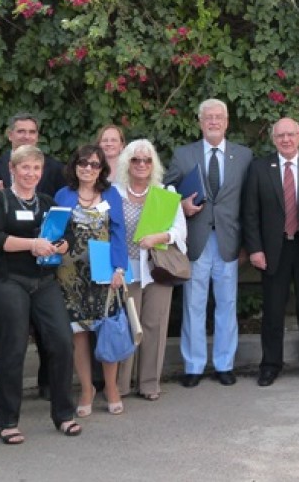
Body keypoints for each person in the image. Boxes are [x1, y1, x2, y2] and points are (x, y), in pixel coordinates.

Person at [0, 145, 80, 444]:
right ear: (12, 169)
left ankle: (63, 414)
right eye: (25, 168)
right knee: (13, 348)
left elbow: (69, 235)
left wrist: (62, 246)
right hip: (11, 280)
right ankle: (8, 421)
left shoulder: (48, 202)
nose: (31, 174)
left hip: (45, 282)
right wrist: (31, 244)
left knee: (62, 342)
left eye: (36, 169)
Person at [163, 99, 252, 388]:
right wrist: (181, 205)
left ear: (227, 122)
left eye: (219, 117)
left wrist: (248, 244)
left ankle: (225, 364)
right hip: (196, 240)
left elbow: (251, 203)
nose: (213, 122)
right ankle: (194, 365)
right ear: (200, 122)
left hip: (229, 241)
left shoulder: (244, 156)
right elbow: (167, 191)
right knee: (193, 304)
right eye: (208, 118)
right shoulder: (183, 154)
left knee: (227, 304)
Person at [242, 117, 299, 386]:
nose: (286, 139)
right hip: (274, 250)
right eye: (280, 135)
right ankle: (270, 365)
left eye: (291, 134)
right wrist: (255, 249)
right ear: (274, 139)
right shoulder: (260, 168)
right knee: (272, 312)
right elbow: (250, 214)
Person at [54, 145, 128, 416]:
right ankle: (87, 388)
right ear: (74, 166)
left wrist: (120, 268)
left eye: (94, 164)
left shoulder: (111, 194)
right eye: (83, 163)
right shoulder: (63, 195)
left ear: (102, 169)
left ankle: (111, 387)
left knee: (107, 328)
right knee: (79, 333)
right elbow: (55, 231)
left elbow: (119, 231)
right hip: (70, 276)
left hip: (104, 274)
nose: (88, 168)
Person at [114, 139, 188, 401]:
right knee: (126, 325)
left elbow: (180, 231)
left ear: (153, 164)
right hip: (124, 271)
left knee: (154, 325)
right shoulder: (115, 193)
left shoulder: (165, 193)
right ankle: (119, 386)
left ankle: (149, 384)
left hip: (156, 268)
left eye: (147, 160)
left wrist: (159, 237)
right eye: (136, 160)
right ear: (127, 163)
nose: (142, 164)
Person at [0, 113, 66, 197]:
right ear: (10, 135)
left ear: (37, 137)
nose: (27, 137)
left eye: (32, 132)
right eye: (21, 131)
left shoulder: (56, 169)